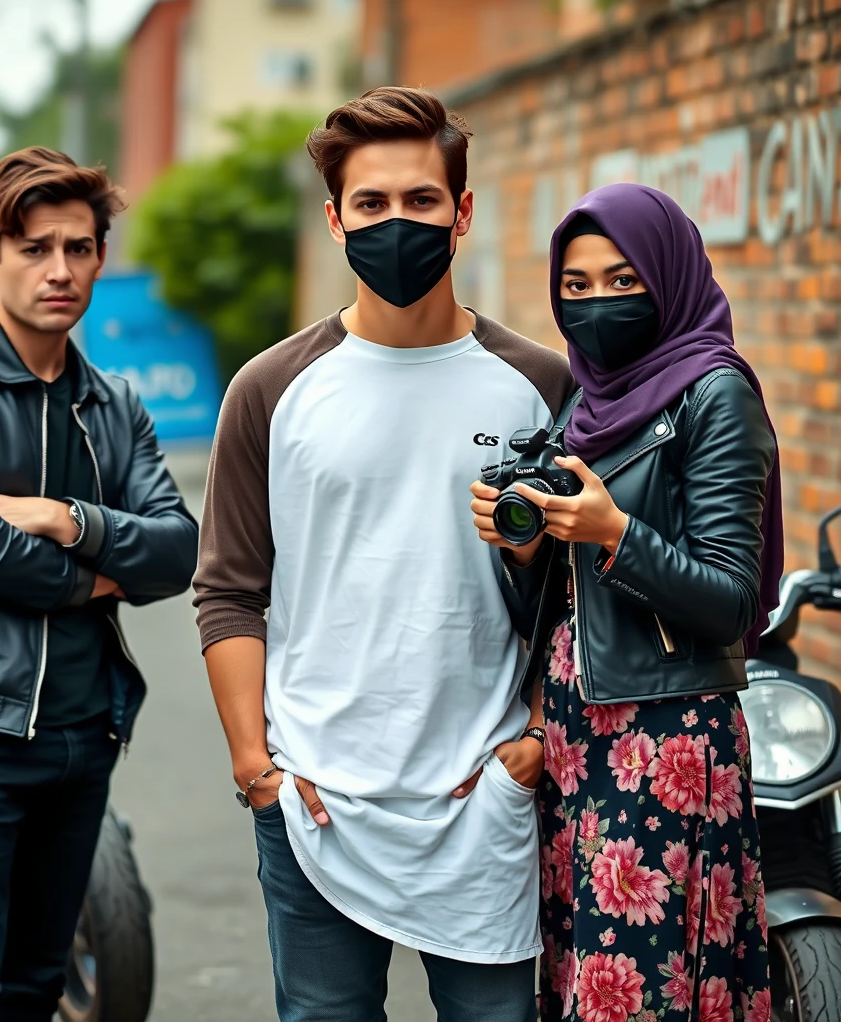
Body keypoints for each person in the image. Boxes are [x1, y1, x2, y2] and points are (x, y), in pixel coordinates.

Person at [192, 86, 575, 1022]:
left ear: (463, 211)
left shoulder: (543, 385)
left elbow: (576, 593)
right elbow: (230, 591)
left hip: (484, 792)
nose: (394, 222)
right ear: (334, 219)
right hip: (318, 796)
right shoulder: (271, 389)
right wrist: (258, 769)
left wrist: (531, 741)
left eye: (419, 201)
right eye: (370, 205)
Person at [0, 146, 198, 1022]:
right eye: (35, 249)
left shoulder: (115, 403)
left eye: (81, 248)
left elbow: (175, 550)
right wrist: (103, 579)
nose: (61, 270)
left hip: (81, 733)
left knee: (33, 986)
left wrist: (65, 519)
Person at [470, 183, 780, 1020]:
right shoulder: (587, 399)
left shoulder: (715, 394)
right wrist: (528, 546)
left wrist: (616, 533)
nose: (597, 304)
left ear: (667, 276)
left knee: (646, 987)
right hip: (577, 732)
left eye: (621, 280)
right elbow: (568, 600)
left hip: (669, 736)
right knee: (586, 982)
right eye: (576, 286)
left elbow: (729, 599)